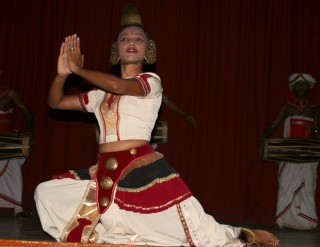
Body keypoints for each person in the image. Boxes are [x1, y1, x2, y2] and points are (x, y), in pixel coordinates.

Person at [34, 4, 279, 246]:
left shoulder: (151, 82)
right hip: (106, 172)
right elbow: (55, 102)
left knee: (197, 231)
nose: (131, 41)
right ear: (116, 49)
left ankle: (241, 234)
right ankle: (100, 237)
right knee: (45, 192)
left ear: (147, 49)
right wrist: (63, 75)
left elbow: (119, 86)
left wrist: (79, 69)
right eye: (125, 38)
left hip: (139, 168)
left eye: (138, 39)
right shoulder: (99, 95)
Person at [260, 73, 319, 230]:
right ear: (293, 87)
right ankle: (281, 221)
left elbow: (316, 130)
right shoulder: (287, 106)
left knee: (308, 185)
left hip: (307, 153)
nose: (301, 87)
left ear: (309, 88)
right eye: (298, 85)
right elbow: (274, 125)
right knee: (286, 185)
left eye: (304, 85)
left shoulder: (313, 109)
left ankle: (311, 222)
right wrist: (264, 136)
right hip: (289, 152)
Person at [0, 76, 34, 218]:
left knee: (14, 170)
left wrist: (29, 131)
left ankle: (17, 208)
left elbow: (26, 111)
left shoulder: (10, 93)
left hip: (8, 140)